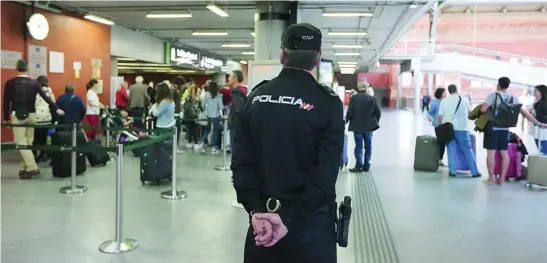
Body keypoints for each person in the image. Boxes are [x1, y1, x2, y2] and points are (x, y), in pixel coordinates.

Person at [231, 23, 343, 263]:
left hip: (262, 226)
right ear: (318, 59)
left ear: (282, 55)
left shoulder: (255, 98)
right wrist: (287, 216)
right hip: (310, 229)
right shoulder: (329, 103)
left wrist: (256, 210)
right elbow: (325, 174)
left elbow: (241, 162)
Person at [2, 60, 64, 179]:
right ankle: (23, 169)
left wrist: (6, 118)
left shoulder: (10, 83)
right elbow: (46, 97)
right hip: (32, 115)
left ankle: (32, 167)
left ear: (16, 68)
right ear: (27, 69)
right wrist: (56, 109)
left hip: (17, 115)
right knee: (28, 143)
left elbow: (6, 102)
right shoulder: (34, 83)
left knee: (20, 143)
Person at [480, 77, 546, 184]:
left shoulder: (493, 95)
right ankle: (502, 178)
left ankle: (491, 178)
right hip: (505, 130)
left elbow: (483, 109)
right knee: (504, 154)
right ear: (508, 85)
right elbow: (524, 113)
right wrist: (538, 123)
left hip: (492, 129)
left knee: (490, 154)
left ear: (498, 84)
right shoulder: (512, 97)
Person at [438, 85, 481, 178]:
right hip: (462, 129)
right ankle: (474, 172)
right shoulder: (465, 100)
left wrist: (440, 127)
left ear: (449, 91)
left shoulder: (444, 101)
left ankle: (453, 171)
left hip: (448, 129)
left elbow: (440, 117)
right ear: (457, 90)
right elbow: (470, 114)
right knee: (468, 150)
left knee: (451, 149)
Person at [346, 81, 381, 173]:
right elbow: (378, 113)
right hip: (369, 127)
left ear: (358, 88)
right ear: (366, 88)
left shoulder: (354, 98)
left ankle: (358, 166)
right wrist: (374, 122)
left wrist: (345, 121)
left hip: (357, 127)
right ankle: (366, 166)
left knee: (358, 146)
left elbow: (350, 112)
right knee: (368, 147)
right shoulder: (372, 98)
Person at [33, 76, 55, 163]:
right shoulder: (49, 90)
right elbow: (53, 103)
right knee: (43, 138)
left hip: (36, 118)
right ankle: (42, 155)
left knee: (34, 139)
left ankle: (34, 155)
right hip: (46, 117)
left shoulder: (34, 90)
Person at [227, 70, 248, 150]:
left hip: (236, 126)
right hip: (240, 125)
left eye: (230, 77)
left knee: (235, 149)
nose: (228, 78)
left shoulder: (236, 93)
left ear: (235, 79)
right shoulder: (243, 92)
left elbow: (238, 110)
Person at [200, 81, 223, 153]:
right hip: (216, 115)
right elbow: (221, 106)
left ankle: (202, 143)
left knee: (207, 129)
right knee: (216, 131)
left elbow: (203, 105)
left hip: (208, 115)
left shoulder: (206, 94)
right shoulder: (219, 95)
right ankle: (214, 147)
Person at [428, 87, 447, 166]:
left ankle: (439, 159)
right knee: (441, 142)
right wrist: (429, 117)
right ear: (441, 93)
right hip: (438, 125)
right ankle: (438, 159)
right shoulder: (435, 102)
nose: (446, 93)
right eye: (445, 92)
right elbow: (430, 112)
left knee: (443, 142)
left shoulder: (447, 102)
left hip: (446, 124)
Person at [182, 84, 203, 149]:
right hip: (194, 117)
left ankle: (190, 142)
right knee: (195, 130)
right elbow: (199, 108)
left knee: (190, 130)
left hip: (188, 117)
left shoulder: (187, 98)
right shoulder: (196, 99)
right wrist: (197, 114)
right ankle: (196, 143)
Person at [531, 84, 547, 151]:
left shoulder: (543, 103)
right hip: (538, 129)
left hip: (543, 131)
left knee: (543, 150)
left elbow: (541, 117)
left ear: (541, 92)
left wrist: (534, 113)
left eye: (535, 91)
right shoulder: (537, 103)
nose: (534, 93)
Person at [172, 76, 185, 152]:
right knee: (176, 131)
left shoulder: (174, 90)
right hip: (175, 115)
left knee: (177, 131)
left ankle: (175, 147)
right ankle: (175, 148)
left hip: (175, 114)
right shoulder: (174, 91)